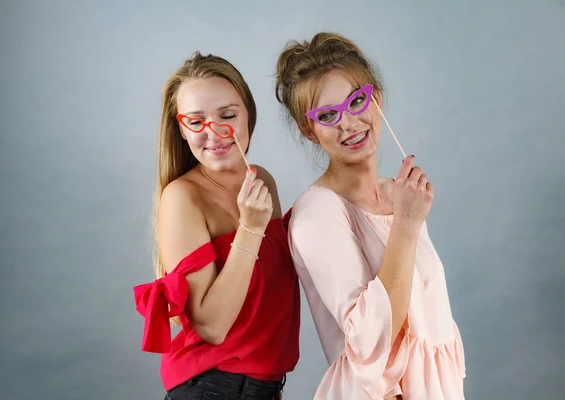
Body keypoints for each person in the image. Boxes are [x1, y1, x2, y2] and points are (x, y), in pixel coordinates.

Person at [274, 32, 466, 399]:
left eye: (357, 101)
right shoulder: (318, 213)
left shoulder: (399, 195)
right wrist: (407, 225)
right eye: (328, 115)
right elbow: (370, 339)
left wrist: (407, 216)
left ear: (375, 99)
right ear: (309, 131)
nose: (348, 123)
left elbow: (430, 334)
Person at [133, 52, 300, 400]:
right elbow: (211, 326)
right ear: (181, 129)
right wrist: (250, 229)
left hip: (264, 388)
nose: (215, 133)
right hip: (212, 387)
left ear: (248, 115)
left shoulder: (261, 180)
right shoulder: (183, 197)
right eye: (196, 122)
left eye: (227, 115)